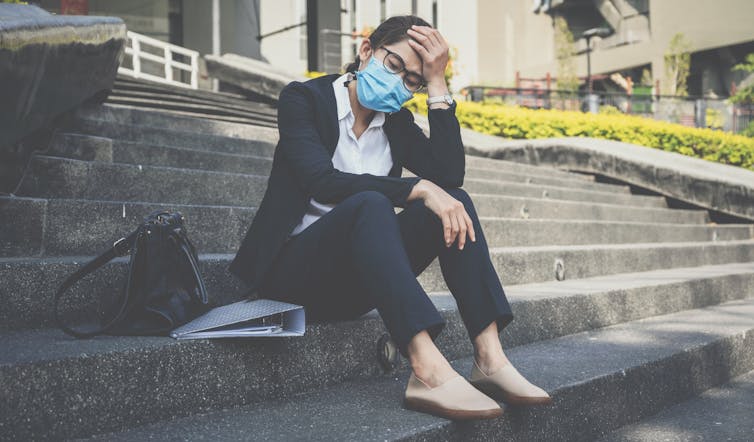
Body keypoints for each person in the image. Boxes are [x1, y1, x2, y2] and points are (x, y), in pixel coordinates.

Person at [228, 15, 552, 421]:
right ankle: (425, 367)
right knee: (371, 202)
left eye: (412, 81)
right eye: (395, 66)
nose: (400, 84)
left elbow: (449, 176)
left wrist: (437, 84)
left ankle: (489, 358)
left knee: (455, 200)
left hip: (356, 283)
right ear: (366, 51)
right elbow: (321, 181)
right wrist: (416, 189)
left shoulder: (394, 120)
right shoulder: (303, 99)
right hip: (291, 278)